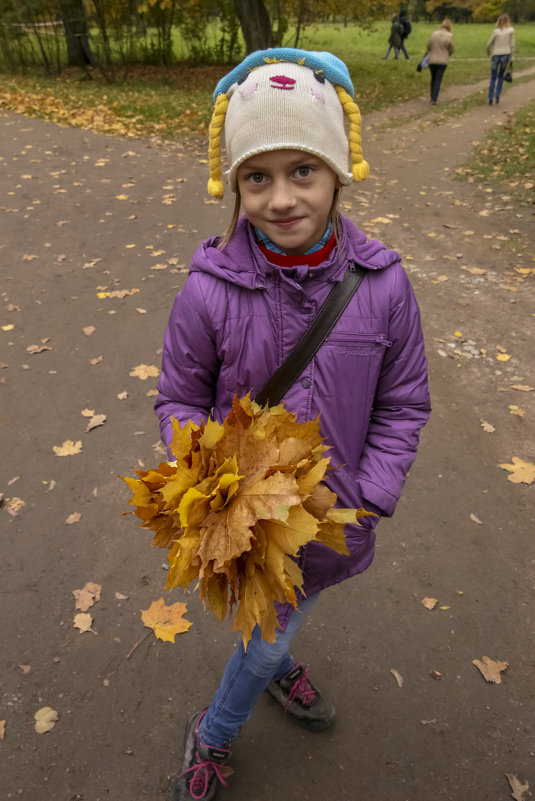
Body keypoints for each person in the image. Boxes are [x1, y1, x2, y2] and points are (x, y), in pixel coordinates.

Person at [154, 47, 431, 801]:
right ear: (235, 183)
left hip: (335, 516)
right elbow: (178, 398)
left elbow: (402, 400)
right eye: (257, 176)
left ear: (337, 171)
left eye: (300, 170)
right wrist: (203, 470)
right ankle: (213, 733)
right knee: (267, 629)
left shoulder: (381, 284)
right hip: (247, 527)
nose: (280, 198)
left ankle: (276, 666)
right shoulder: (208, 290)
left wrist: (368, 493)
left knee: (273, 628)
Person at [487, 14, 515, 105]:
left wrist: (488, 51)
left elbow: (489, 43)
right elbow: (512, 44)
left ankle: (490, 97)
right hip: (505, 54)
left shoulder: (496, 31)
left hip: (496, 54)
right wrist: (512, 56)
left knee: (493, 77)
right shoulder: (511, 31)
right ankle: (497, 95)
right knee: (500, 76)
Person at [426, 18, 454, 104]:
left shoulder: (434, 34)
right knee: (438, 79)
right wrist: (447, 53)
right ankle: (434, 99)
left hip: (432, 60)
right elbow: (451, 49)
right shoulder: (449, 35)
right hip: (442, 61)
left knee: (433, 78)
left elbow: (428, 46)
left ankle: (431, 97)